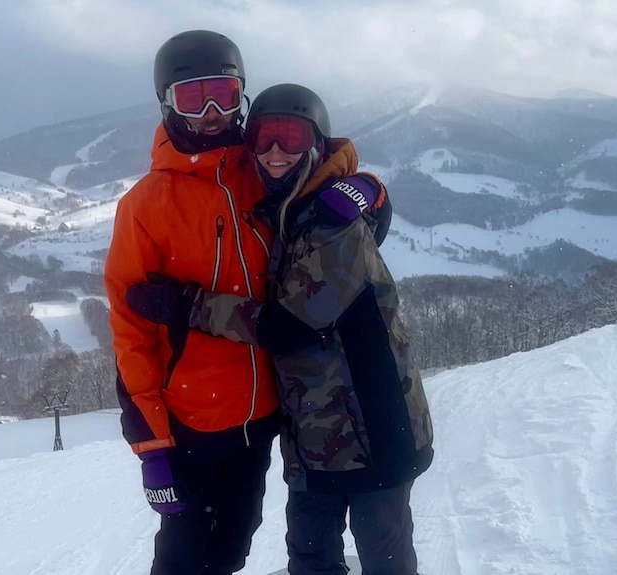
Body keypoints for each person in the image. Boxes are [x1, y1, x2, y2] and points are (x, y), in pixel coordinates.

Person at [126, 84, 434, 575]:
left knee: (385, 555)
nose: (274, 152)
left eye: (291, 138)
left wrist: (188, 305)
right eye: (264, 139)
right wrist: (370, 189)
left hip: (375, 424)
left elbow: (288, 326)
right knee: (310, 557)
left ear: (315, 144)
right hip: (312, 436)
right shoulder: (284, 211)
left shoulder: (332, 223)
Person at [103, 30, 280, 575]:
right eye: (191, 97)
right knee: (183, 556)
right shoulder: (146, 206)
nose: (209, 113)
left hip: (263, 416)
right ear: (166, 103)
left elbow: (327, 159)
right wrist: (151, 444)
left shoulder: (266, 173)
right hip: (190, 426)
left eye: (223, 94)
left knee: (233, 545)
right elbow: (130, 335)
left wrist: (365, 188)